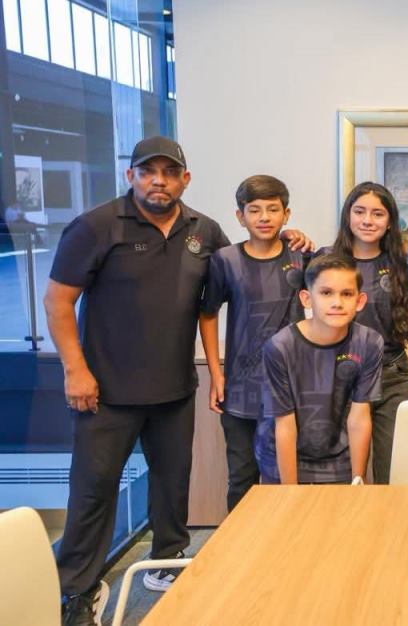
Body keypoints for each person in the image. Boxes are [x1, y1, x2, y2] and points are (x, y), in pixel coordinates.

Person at [45, 137, 230, 624]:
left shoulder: (204, 231)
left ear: (185, 179)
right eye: (148, 172)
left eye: (169, 172)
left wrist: (291, 240)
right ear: (131, 176)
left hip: (174, 390)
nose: (158, 181)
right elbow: (58, 301)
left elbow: (242, 272)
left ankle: (167, 561)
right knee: (93, 492)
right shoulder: (96, 226)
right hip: (104, 393)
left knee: (172, 485)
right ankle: (77, 590)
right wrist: (75, 370)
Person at [198, 175, 306, 511]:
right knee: (242, 477)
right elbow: (208, 314)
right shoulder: (225, 260)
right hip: (240, 388)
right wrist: (216, 373)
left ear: (286, 214)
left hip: (291, 387)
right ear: (240, 216)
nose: (264, 217)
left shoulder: (301, 257)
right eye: (254, 210)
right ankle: (240, 541)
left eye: (273, 209)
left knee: (287, 474)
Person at [322, 182, 408, 484]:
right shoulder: (325, 259)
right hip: (338, 375)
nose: (367, 220)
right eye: (359, 212)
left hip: (392, 375)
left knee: (392, 473)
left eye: (378, 214)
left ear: (390, 221)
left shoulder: (402, 262)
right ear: (347, 216)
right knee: (342, 474)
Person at [258, 254, 383, 485]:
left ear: (360, 301)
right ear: (307, 299)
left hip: (338, 460)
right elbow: (284, 425)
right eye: (326, 293)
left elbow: (359, 418)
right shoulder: (279, 347)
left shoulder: (369, 342)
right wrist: (290, 491)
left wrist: (358, 479)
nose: (337, 303)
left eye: (347, 294)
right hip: (283, 462)